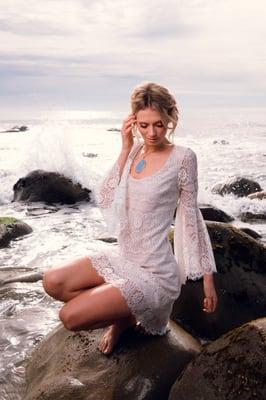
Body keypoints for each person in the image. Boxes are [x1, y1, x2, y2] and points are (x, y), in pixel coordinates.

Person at [42, 82, 218, 355]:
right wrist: (124, 149)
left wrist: (207, 280)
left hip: (155, 274)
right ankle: (124, 314)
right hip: (124, 259)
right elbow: (106, 198)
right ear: (133, 120)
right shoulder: (134, 151)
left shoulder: (183, 158)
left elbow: (191, 217)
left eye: (158, 124)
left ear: (170, 118)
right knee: (52, 281)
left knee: (69, 317)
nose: (151, 133)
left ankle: (124, 318)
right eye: (144, 125)